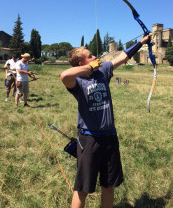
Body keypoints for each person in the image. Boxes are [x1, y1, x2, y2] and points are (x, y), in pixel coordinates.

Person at [60, 33, 153, 208]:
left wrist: (141, 43)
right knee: (82, 188)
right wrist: (90, 69)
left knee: (109, 185)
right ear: (81, 63)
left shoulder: (103, 70)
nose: (95, 57)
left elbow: (123, 57)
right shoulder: (77, 81)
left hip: (110, 137)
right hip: (89, 140)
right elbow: (64, 75)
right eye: (90, 56)